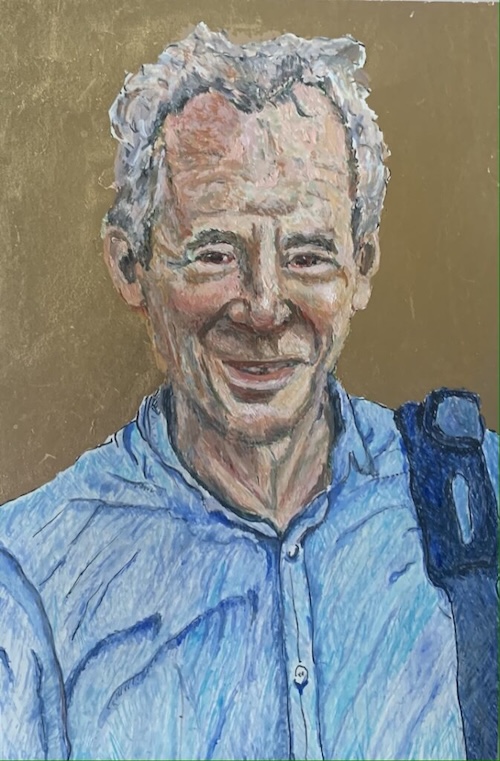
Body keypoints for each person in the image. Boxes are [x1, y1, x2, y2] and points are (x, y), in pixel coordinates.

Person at [0, 24, 497, 761]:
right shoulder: (30, 580)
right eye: (215, 254)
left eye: (308, 255)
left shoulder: (478, 499)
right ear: (131, 267)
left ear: (361, 268)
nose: (264, 307)